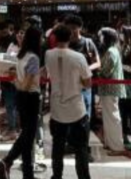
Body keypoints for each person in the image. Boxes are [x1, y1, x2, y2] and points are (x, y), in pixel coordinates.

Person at [45, 24, 92, 179]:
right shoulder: (79, 57)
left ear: (55, 38)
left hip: (57, 108)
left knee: (57, 147)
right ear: (70, 37)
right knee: (81, 149)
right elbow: (88, 83)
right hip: (76, 108)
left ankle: (57, 175)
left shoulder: (48, 54)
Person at [0, 26, 43, 179]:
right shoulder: (34, 58)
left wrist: (17, 81)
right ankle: (7, 160)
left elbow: (19, 82)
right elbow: (26, 85)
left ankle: (27, 173)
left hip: (21, 98)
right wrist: (20, 82)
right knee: (27, 136)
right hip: (31, 98)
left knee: (26, 136)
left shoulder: (21, 56)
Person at [63, 15, 99, 122]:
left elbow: (97, 63)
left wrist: (86, 69)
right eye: (68, 28)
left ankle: (84, 137)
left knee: (85, 115)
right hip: (68, 86)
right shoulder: (64, 44)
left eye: (74, 27)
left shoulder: (88, 43)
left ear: (80, 28)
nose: (71, 31)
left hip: (85, 86)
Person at [98, 28, 126, 153]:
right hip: (110, 89)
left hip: (110, 88)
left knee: (112, 117)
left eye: (102, 37)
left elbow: (106, 72)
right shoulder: (114, 50)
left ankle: (117, 146)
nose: (100, 39)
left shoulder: (110, 52)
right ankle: (110, 143)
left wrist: (96, 70)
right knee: (109, 116)